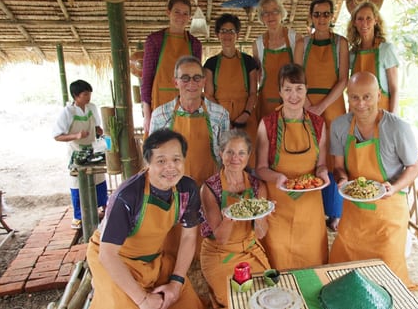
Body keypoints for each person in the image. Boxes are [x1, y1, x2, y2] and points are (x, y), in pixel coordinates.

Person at [86, 129, 205, 309]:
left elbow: (189, 237)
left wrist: (176, 282)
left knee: (188, 304)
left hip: (153, 261)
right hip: (114, 260)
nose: (170, 167)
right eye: (161, 161)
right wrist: (143, 300)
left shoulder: (187, 189)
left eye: (176, 159)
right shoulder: (128, 196)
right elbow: (107, 254)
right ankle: (101, 285)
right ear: (147, 162)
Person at [329, 71, 418, 290]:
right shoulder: (340, 126)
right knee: (342, 274)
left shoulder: (398, 128)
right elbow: (339, 167)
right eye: (355, 97)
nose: (361, 104)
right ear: (348, 98)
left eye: (367, 97)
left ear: (379, 95)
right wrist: (342, 180)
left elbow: (414, 168)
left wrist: (393, 187)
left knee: (387, 278)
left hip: (388, 213)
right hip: (354, 213)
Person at [255, 63, 329, 270]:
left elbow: (321, 164)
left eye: (298, 89)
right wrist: (277, 177)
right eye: (287, 89)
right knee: (279, 261)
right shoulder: (267, 124)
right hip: (278, 206)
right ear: (280, 92)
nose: (293, 95)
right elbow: (260, 168)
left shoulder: (318, 124)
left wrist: (323, 174)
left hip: (310, 207)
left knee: (312, 261)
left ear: (306, 90)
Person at [199, 129, 270, 308]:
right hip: (219, 253)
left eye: (241, 153)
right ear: (221, 153)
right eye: (229, 152)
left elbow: (261, 234)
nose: (235, 158)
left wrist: (262, 216)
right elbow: (221, 238)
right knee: (234, 301)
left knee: (265, 296)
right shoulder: (209, 188)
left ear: (248, 156)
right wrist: (232, 214)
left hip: (250, 249)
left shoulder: (257, 186)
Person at [298, 0, 349, 231]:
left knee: (334, 156)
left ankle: (335, 213)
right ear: (311, 16)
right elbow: (298, 76)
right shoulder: (302, 44)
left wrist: (322, 106)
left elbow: (343, 80)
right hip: (305, 103)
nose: (321, 18)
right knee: (309, 155)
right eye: (317, 14)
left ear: (332, 16)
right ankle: (311, 210)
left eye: (326, 14)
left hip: (334, 104)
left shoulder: (341, 43)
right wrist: (307, 102)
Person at [149, 55, 230, 185]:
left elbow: (226, 156)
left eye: (197, 78)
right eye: (185, 78)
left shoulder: (221, 115)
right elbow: (152, 158)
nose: (191, 83)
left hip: (211, 186)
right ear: (176, 82)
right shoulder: (160, 115)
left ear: (204, 81)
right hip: (173, 187)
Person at [142, 0, 203, 135]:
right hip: (159, 103)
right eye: (177, 12)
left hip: (187, 104)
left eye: (185, 13)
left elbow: (197, 80)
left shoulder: (195, 44)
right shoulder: (154, 40)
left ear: (189, 17)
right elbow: (147, 77)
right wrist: (147, 113)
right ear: (168, 12)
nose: (181, 17)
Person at [204, 13, 259, 167]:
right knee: (225, 159)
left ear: (237, 35)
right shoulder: (211, 63)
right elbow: (208, 95)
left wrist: (246, 114)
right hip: (220, 118)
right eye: (223, 31)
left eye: (231, 31)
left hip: (246, 117)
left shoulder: (249, 62)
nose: (227, 35)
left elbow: (254, 93)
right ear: (217, 35)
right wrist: (224, 119)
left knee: (248, 159)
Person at [52, 79, 108, 229]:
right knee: (77, 182)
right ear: (76, 96)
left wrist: (101, 131)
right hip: (76, 151)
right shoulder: (67, 112)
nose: (88, 97)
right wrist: (76, 136)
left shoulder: (92, 107)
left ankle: (102, 207)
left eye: (89, 93)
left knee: (98, 177)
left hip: (93, 149)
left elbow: (97, 126)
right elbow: (57, 136)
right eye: (85, 94)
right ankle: (78, 216)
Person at [252, 0, 304, 122]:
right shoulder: (257, 44)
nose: (270, 16)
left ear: (281, 14)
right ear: (261, 18)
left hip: (291, 101)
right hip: (266, 102)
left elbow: (301, 74)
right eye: (265, 13)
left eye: (275, 11)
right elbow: (258, 77)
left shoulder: (295, 39)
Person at [347, 2, 400, 113]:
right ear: (354, 23)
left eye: (368, 18)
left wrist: (392, 118)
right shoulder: (352, 54)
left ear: (376, 21)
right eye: (360, 19)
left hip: (381, 115)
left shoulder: (386, 50)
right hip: (357, 117)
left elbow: (394, 89)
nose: (364, 23)